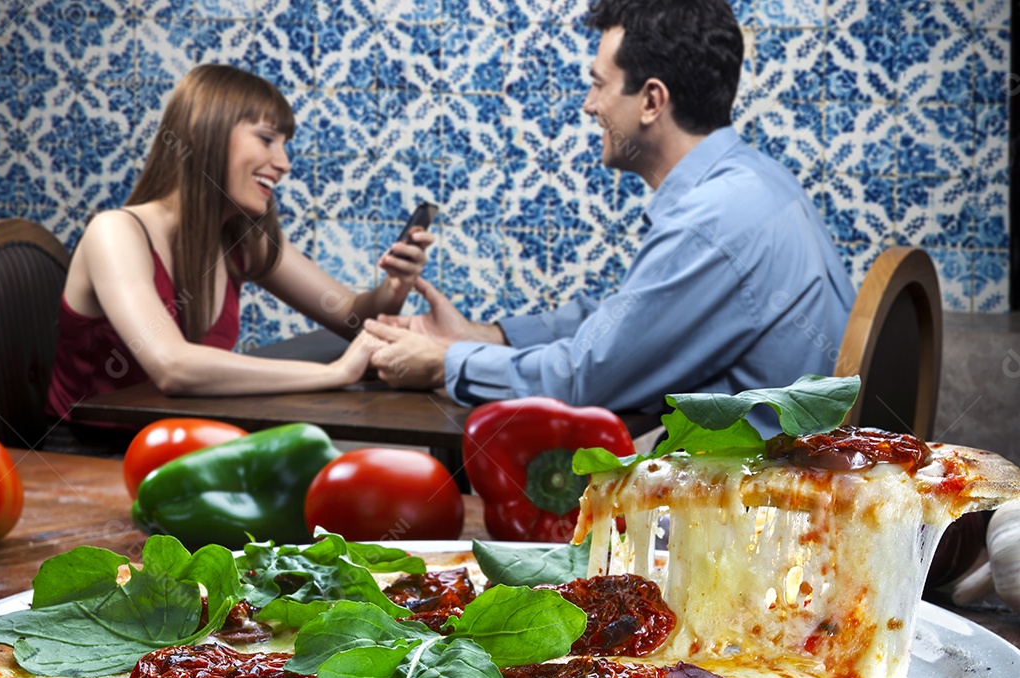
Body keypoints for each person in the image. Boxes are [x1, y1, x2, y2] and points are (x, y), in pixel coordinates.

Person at [364, 0, 855, 435]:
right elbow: (634, 316)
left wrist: (445, 364)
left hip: (756, 497)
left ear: (651, 101)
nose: (589, 105)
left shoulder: (712, 221)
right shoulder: (757, 181)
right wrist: (484, 335)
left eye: (599, 85)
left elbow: (583, 381)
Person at [45, 63, 433, 445]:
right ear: (203, 134)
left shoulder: (241, 239)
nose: (284, 164)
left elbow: (352, 318)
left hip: (184, 444)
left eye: (284, 144)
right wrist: (336, 373)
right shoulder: (115, 232)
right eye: (266, 139)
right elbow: (171, 366)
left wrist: (395, 286)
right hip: (93, 452)